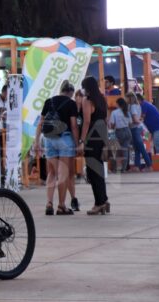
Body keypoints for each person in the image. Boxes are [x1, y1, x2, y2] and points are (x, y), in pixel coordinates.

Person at [34, 81, 79, 215]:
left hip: (49, 139)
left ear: (61, 90)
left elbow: (41, 123)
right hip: (65, 138)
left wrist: (37, 142)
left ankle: (49, 203)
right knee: (63, 173)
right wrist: (77, 143)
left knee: (51, 173)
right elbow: (74, 126)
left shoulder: (49, 101)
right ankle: (61, 205)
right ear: (71, 92)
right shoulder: (71, 104)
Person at [79, 77, 110, 215]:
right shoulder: (102, 99)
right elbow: (105, 120)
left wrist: (81, 141)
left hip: (91, 137)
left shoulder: (87, 100)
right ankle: (104, 200)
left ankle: (99, 203)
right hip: (101, 135)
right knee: (99, 170)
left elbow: (86, 121)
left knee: (93, 172)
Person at [126, 92, 152, 171]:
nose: (125, 100)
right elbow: (139, 117)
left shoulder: (132, 106)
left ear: (130, 98)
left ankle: (149, 165)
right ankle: (137, 166)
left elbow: (135, 119)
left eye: (126, 98)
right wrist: (139, 120)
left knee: (141, 147)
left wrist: (131, 121)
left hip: (134, 128)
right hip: (139, 127)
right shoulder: (138, 105)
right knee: (137, 148)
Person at [108, 98, 133, 173]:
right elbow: (130, 123)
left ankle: (114, 168)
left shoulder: (114, 113)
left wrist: (111, 130)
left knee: (114, 150)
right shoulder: (127, 112)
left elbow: (112, 124)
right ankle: (124, 169)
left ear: (118, 104)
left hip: (119, 132)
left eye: (116, 103)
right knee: (125, 150)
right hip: (128, 131)